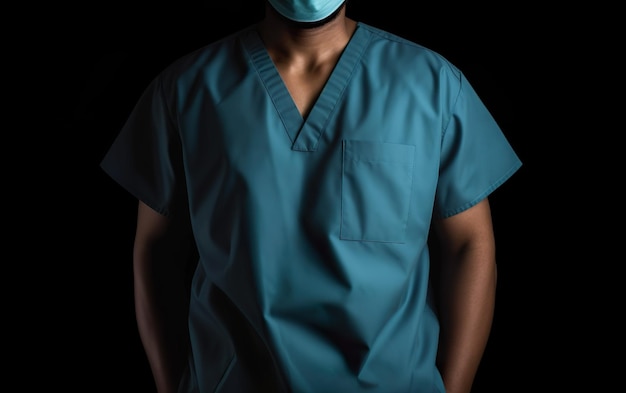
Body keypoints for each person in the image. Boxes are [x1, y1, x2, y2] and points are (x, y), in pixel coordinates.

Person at [100, 0, 522, 392]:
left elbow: (470, 243)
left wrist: (455, 387)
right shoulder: (186, 90)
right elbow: (154, 249)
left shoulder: (431, 85)